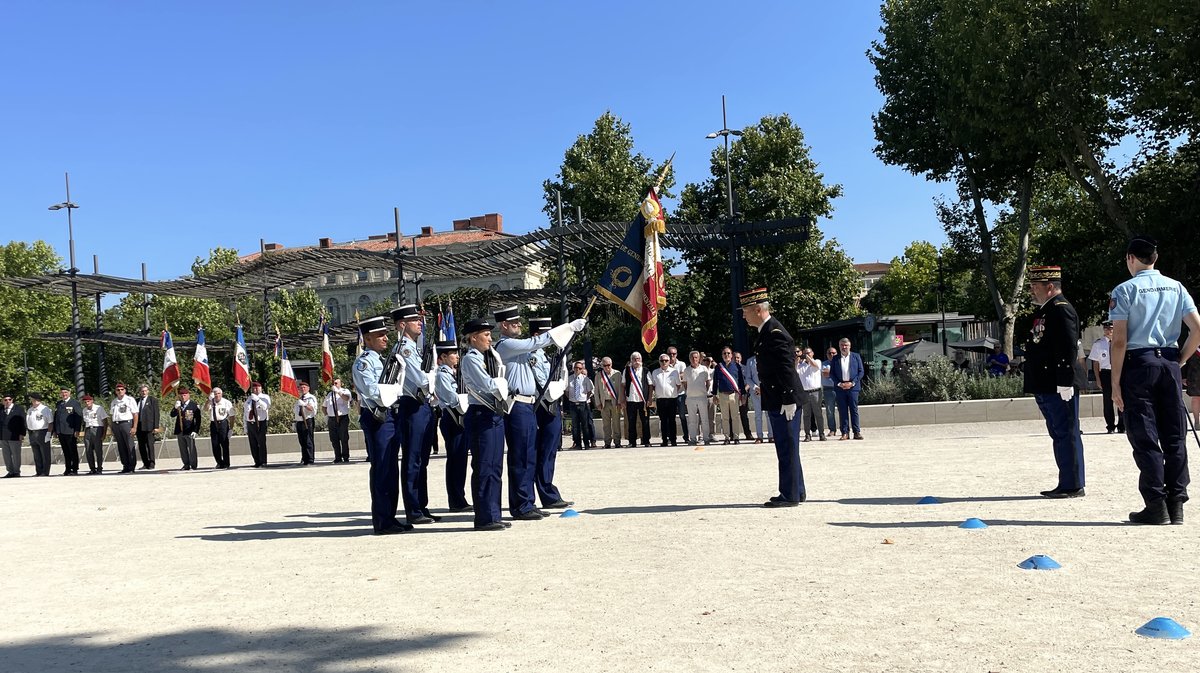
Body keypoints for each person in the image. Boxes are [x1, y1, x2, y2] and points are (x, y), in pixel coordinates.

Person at [1109, 237, 1200, 525]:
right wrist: (1180, 360)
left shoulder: (1124, 290)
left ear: (1130, 259)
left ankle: (1155, 503)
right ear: (1155, 259)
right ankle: (1177, 503)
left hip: (1139, 363)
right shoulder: (1176, 287)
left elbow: (1120, 340)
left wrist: (1115, 382)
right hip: (1169, 361)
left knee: (1145, 434)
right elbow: (1197, 328)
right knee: (1175, 434)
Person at [494, 307, 585, 520]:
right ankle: (521, 505)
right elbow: (535, 342)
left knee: (528, 455)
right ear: (503, 325)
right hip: (516, 405)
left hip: (528, 405)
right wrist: (568, 328)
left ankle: (527, 501)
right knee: (521, 456)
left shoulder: (519, 348)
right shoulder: (506, 345)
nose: (518, 324)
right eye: (513, 322)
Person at [1024, 265, 1088, 499]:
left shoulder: (1061, 310)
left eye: (1035, 286)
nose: (1032, 290)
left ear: (1050, 287)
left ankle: (1072, 484)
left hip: (1059, 382)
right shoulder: (1046, 310)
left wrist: (1065, 381)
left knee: (1067, 432)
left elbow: (1067, 347)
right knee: (1059, 432)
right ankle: (1067, 481)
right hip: (1046, 381)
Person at [741, 288, 807, 507]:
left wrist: (788, 398)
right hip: (779, 397)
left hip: (783, 399)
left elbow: (786, 367)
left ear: (758, 310)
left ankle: (790, 495)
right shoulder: (767, 330)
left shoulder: (774, 332)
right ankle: (796, 490)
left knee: (786, 447)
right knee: (788, 446)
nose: (743, 315)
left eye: (746, 311)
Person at [352, 314, 411, 535]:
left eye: (386, 334)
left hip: (390, 417)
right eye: (380, 335)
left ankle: (390, 516)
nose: (385, 338)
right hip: (378, 418)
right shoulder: (364, 362)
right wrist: (395, 390)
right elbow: (372, 391)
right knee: (382, 469)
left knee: (390, 468)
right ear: (367, 339)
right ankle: (382, 520)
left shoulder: (382, 360)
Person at [460, 317, 511, 531]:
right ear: (474, 338)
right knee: (484, 466)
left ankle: (493, 513)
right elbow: (487, 384)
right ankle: (484, 517)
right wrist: (501, 383)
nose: (490, 338)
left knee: (495, 467)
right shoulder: (471, 359)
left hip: (493, 413)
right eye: (486, 335)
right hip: (481, 413)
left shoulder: (487, 356)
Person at [389, 304, 437, 525]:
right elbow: (421, 379)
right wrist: (434, 376)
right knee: (413, 459)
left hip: (423, 406)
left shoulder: (416, 348)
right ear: (402, 325)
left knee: (422, 459)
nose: (420, 323)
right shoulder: (404, 348)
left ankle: (421, 505)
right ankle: (413, 508)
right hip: (412, 406)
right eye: (414, 320)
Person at [526, 316, 575, 510]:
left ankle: (548, 492)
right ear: (537, 335)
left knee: (550, 452)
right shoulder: (533, 356)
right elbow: (542, 384)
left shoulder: (543, 354)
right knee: (544, 452)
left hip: (551, 405)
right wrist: (556, 387)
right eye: (547, 333)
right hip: (544, 407)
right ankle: (547, 494)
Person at [433, 340, 471, 512]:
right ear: (443, 357)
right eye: (453, 354)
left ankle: (460, 498)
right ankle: (455, 500)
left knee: (461, 459)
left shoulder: (455, 373)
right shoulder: (442, 375)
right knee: (455, 459)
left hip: (461, 415)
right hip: (452, 416)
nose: (457, 357)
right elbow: (452, 398)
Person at [1088, 321, 1124, 434]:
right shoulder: (1098, 344)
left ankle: (1122, 425)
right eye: (1106, 329)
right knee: (1107, 401)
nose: (1109, 331)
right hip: (1106, 373)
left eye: (1111, 328)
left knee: (1122, 398)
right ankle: (1110, 426)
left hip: (1119, 372)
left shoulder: (1121, 341)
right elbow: (1095, 363)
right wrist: (1098, 379)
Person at [828, 338, 865, 440]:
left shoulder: (856, 356)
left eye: (846, 345)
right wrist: (839, 384)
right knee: (842, 410)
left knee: (854, 410)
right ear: (839, 346)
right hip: (840, 388)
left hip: (853, 388)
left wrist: (852, 383)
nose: (844, 347)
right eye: (842, 345)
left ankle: (856, 432)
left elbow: (861, 372)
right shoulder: (835, 358)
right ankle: (845, 432)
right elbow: (832, 374)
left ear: (850, 346)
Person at [711, 347, 746, 444]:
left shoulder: (737, 366)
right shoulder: (719, 367)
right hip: (722, 395)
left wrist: (743, 394)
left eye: (728, 353)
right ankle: (726, 437)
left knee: (735, 417)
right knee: (725, 417)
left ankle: (736, 437)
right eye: (724, 353)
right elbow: (715, 382)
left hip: (734, 395)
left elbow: (741, 381)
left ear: (731, 355)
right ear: (722, 355)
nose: (726, 355)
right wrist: (714, 394)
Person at [682, 351, 712, 447]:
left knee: (704, 419)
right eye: (692, 357)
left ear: (699, 359)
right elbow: (685, 384)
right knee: (692, 420)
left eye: (696, 357)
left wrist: (704, 392)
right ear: (689, 359)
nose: (694, 359)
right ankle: (693, 439)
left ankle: (706, 438)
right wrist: (690, 392)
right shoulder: (686, 370)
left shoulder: (704, 369)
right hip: (691, 398)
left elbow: (708, 382)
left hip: (702, 397)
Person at [797, 347, 827, 442]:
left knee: (818, 413)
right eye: (805, 353)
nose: (807, 355)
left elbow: (815, 365)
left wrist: (808, 358)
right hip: (805, 392)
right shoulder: (800, 365)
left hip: (816, 392)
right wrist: (797, 360)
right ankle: (807, 434)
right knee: (806, 415)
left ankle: (821, 434)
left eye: (808, 353)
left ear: (812, 353)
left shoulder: (817, 361)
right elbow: (794, 371)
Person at [623, 352, 653, 447]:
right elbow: (623, 385)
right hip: (631, 400)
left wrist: (649, 398)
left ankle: (646, 441)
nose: (636, 361)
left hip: (643, 400)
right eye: (634, 359)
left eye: (638, 359)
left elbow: (650, 385)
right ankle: (632, 442)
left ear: (641, 360)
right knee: (631, 422)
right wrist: (623, 399)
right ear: (631, 360)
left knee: (645, 421)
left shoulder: (645, 370)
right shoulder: (627, 370)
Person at [593, 357, 624, 448]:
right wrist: (598, 403)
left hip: (615, 402)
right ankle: (607, 442)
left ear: (611, 364)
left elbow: (621, 389)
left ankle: (617, 442)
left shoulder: (618, 374)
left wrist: (620, 401)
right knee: (606, 424)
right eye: (605, 365)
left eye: (608, 365)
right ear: (602, 366)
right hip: (604, 403)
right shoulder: (599, 375)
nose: (607, 367)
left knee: (616, 423)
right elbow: (596, 391)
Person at [651, 354, 681, 446]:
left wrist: (672, 392)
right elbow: (653, 385)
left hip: (672, 399)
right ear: (659, 361)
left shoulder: (674, 372)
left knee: (672, 420)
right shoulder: (655, 372)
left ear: (669, 362)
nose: (664, 362)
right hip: (660, 400)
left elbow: (678, 385)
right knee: (663, 421)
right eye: (662, 361)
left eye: (666, 360)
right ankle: (664, 440)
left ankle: (673, 440)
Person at [109, 383, 139, 474]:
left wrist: (134, 427)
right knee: (121, 446)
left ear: (125, 390)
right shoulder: (114, 402)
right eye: (118, 390)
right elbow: (111, 415)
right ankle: (125, 465)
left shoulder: (130, 400)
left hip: (126, 423)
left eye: (122, 389)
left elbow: (135, 414)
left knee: (129, 445)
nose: (120, 391)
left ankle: (131, 466)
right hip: (116, 425)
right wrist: (112, 428)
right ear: (115, 391)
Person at [54, 388, 83, 476]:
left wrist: (77, 429)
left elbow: (78, 417)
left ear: (69, 393)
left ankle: (74, 469)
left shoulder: (74, 403)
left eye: (66, 392)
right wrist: (55, 430)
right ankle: (67, 468)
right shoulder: (59, 403)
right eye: (62, 393)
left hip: (70, 431)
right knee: (65, 451)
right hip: (61, 431)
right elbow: (56, 417)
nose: (64, 394)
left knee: (72, 450)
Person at [323, 378, 353, 463]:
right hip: (332, 418)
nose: (334, 384)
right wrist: (326, 415)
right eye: (333, 383)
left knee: (344, 438)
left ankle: (346, 457)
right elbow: (324, 406)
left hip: (342, 417)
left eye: (336, 383)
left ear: (341, 384)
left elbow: (346, 398)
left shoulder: (345, 391)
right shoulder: (329, 394)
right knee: (334, 439)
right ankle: (337, 457)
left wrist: (338, 392)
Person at [171, 387, 201, 470]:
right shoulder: (179, 405)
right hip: (180, 430)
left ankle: (193, 465)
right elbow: (172, 415)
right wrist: (175, 408)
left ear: (188, 395)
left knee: (191, 449)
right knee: (183, 449)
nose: (183, 397)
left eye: (184, 395)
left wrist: (196, 430)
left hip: (189, 430)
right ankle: (186, 464)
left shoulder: (194, 405)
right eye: (181, 395)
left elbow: (198, 420)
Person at [567, 360, 596, 449]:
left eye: (580, 368)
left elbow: (590, 390)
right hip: (573, 403)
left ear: (582, 369)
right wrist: (571, 398)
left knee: (585, 424)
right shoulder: (569, 379)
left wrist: (584, 398)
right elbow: (566, 391)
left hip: (583, 403)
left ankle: (586, 443)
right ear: (574, 368)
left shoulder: (585, 379)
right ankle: (577, 444)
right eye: (576, 368)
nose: (577, 370)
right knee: (575, 425)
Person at [205, 387, 234, 469]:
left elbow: (232, 416)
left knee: (224, 444)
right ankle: (219, 462)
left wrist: (231, 429)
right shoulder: (211, 402)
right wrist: (208, 400)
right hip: (213, 424)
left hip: (223, 424)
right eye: (215, 394)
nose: (217, 395)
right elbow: (205, 409)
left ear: (221, 394)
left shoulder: (226, 402)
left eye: (218, 393)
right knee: (215, 445)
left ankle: (226, 463)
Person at [25, 393, 53, 477]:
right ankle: (39, 471)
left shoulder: (45, 409)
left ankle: (45, 471)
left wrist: (48, 434)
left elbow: (50, 422)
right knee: (36, 454)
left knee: (45, 454)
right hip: (32, 432)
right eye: (32, 399)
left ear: (38, 400)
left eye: (33, 399)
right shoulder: (30, 410)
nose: (32, 401)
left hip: (42, 432)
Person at [244, 382, 271, 468]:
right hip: (250, 423)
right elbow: (245, 413)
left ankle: (263, 462)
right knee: (253, 444)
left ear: (261, 388)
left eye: (257, 387)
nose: (255, 389)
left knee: (261, 443)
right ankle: (257, 461)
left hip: (260, 422)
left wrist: (258, 400)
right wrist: (245, 426)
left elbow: (266, 407)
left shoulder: (265, 397)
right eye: (254, 388)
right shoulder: (249, 399)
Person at [665, 346, 689, 443]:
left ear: (676, 354)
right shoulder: (664, 363)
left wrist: (674, 376)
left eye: (674, 354)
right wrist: (677, 376)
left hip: (680, 394)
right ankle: (670, 437)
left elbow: (683, 376)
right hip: (670, 395)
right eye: (670, 354)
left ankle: (686, 436)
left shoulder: (681, 364)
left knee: (683, 416)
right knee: (670, 417)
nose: (672, 356)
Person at [745, 354, 771, 444]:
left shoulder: (768, 358)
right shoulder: (750, 361)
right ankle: (759, 436)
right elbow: (748, 378)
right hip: (756, 391)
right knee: (758, 415)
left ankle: (771, 435)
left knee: (769, 414)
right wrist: (755, 387)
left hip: (767, 390)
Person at [134, 384, 160, 470]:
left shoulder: (153, 400)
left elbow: (156, 414)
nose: (144, 392)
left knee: (150, 445)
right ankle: (145, 463)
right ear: (139, 392)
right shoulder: (136, 401)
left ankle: (152, 463)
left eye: (145, 391)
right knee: (141, 446)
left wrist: (156, 426)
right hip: (139, 426)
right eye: (142, 391)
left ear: (148, 391)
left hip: (149, 426)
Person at [81, 394, 108, 474]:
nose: (87, 403)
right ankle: (92, 468)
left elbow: (105, 421)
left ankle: (99, 468)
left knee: (98, 450)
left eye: (88, 401)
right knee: (88, 449)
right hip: (88, 429)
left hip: (97, 429)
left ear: (92, 401)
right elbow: (85, 422)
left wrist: (104, 433)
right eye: (85, 402)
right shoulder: (84, 410)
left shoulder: (98, 408)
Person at [1, 394, 26, 478]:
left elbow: (23, 422)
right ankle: (10, 471)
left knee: (16, 454)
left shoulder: (19, 409)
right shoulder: (1, 409)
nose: (7, 401)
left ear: (12, 400)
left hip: (15, 435)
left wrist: (22, 434)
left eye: (9, 399)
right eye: (5, 400)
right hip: (3, 436)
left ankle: (16, 471)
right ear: (2, 401)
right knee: (6, 455)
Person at [293, 380, 318, 465]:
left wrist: (304, 404)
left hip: (307, 420)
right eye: (301, 387)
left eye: (304, 387)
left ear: (308, 388)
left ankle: (310, 459)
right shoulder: (299, 398)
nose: (303, 389)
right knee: (302, 441)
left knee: (308, 441)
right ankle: (304, 458)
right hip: (299, 421)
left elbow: (311, 409)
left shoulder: (311, 397)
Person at [734, 352, 753, 441]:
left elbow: (749, 380)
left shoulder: (745, 368)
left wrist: (745, 391)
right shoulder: (729, 369)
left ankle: (748, 433)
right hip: (733, 394)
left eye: (738, 358)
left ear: (741, 359)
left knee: (744, 415)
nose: (736, 359)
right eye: (735, 358)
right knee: (732, 416)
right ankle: (732, 434)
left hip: (743, 395)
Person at [821, 347, 838, 433]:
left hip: (839, 388)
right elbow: (824, 374)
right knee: (830, 411)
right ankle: (832, 429)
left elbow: (828, 373)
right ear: (827, 354)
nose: (831, 355)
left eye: (833, 353)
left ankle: (844, 430)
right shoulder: (823, 364)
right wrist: (834, 373)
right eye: (829, 353)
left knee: (842, 410)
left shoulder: (840, 363)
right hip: (828, 389)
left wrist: (830, 372)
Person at [1187, 348, 1200, 431]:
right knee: (1196, 398)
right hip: (1195, 375)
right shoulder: (1192, 341)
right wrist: (1183, 376)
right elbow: (1185, 359)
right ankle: (1197, 422)